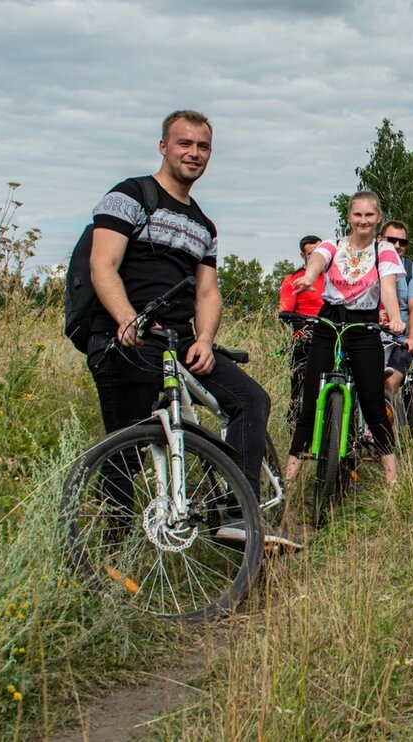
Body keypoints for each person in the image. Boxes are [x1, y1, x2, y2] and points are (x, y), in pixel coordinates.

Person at [87, 110, 299, 550]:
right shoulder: (129, 196)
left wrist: (203, 340)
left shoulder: (204, 225)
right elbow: (102, 264)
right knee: (125, 451)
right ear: (163, 147)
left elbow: (207, 292)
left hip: (180, 341)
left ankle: (239, 516)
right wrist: (127, 317)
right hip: (125, 336)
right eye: (184, 143)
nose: (194, 153)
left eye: (203, 146)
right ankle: (112, 553)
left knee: (250, 400)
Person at [287, 191, 405, 486]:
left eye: (369, 215)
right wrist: (309, 277)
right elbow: (318, 260)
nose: (363, 221)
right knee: (310, 401)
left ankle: (392, 479)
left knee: (373, 403)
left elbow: (388, 287)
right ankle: (288, 480)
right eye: (357, 215)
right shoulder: (333, 245)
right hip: (330, 321)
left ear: (378, 217)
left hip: (364, 325)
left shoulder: (384, 251)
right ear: (349, 217)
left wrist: (395, 318)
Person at [278, 235, 326, 428]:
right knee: (299, 386)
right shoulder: (294, 279)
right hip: (305, 337)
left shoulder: (333, 278)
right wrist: (303, 327)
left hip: (331, 333)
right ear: (303, 256)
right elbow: (285, 312)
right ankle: (296, 424)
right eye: (311, 254)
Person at [377, 220, 413, 398]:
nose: (397, 246)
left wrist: (412, 339)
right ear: (379, 239)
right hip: (369, 335)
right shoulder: (368, 266)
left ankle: (385, 415)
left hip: (400, 340)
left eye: (403, 242)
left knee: (389, 383)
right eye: (391, 240)